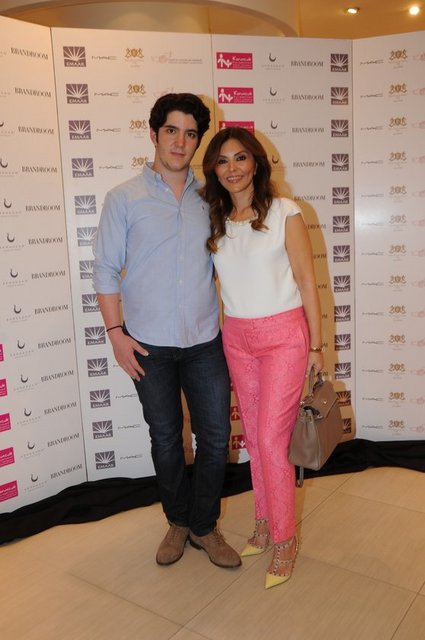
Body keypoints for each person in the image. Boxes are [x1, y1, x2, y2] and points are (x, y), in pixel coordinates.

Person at [92, 93, 241, 570]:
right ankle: (177, 520)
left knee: (215, 437)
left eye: (190, 133)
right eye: (171, 131)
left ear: (199, 142)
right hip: (147, 344)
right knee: (166, 438)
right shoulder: (124, 198)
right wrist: (115, 333)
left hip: (204, 341)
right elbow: (104, 269)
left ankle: (204, 526)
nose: (180, 142)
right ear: (154, 134)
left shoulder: (211, 198)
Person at [201, 127, 324, 589]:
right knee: (254, 437)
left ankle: (285, 540)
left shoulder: (285, 212)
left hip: (283, 337)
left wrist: (317, 345)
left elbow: (307, 280)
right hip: (237, 338)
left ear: (256, 163)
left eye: (240, 158)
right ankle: (264, 522)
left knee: (272, 440)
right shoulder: (216, 221)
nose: (232, 168)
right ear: (214, 170)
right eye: (222, 160)